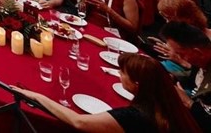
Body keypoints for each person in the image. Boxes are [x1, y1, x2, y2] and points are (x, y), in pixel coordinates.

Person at [15, 52, 200, 133]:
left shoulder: (134, 116)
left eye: (122, 73)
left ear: (136, 84)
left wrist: (37, 96)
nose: (118, 75)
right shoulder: (171, 105)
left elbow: (78, 122)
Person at [161, 21, 211, 128]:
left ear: (197, 52)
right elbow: (193, 83)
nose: (177, 57)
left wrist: (188, 102)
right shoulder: (200, 62)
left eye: (180, 54)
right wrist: (173, 78)